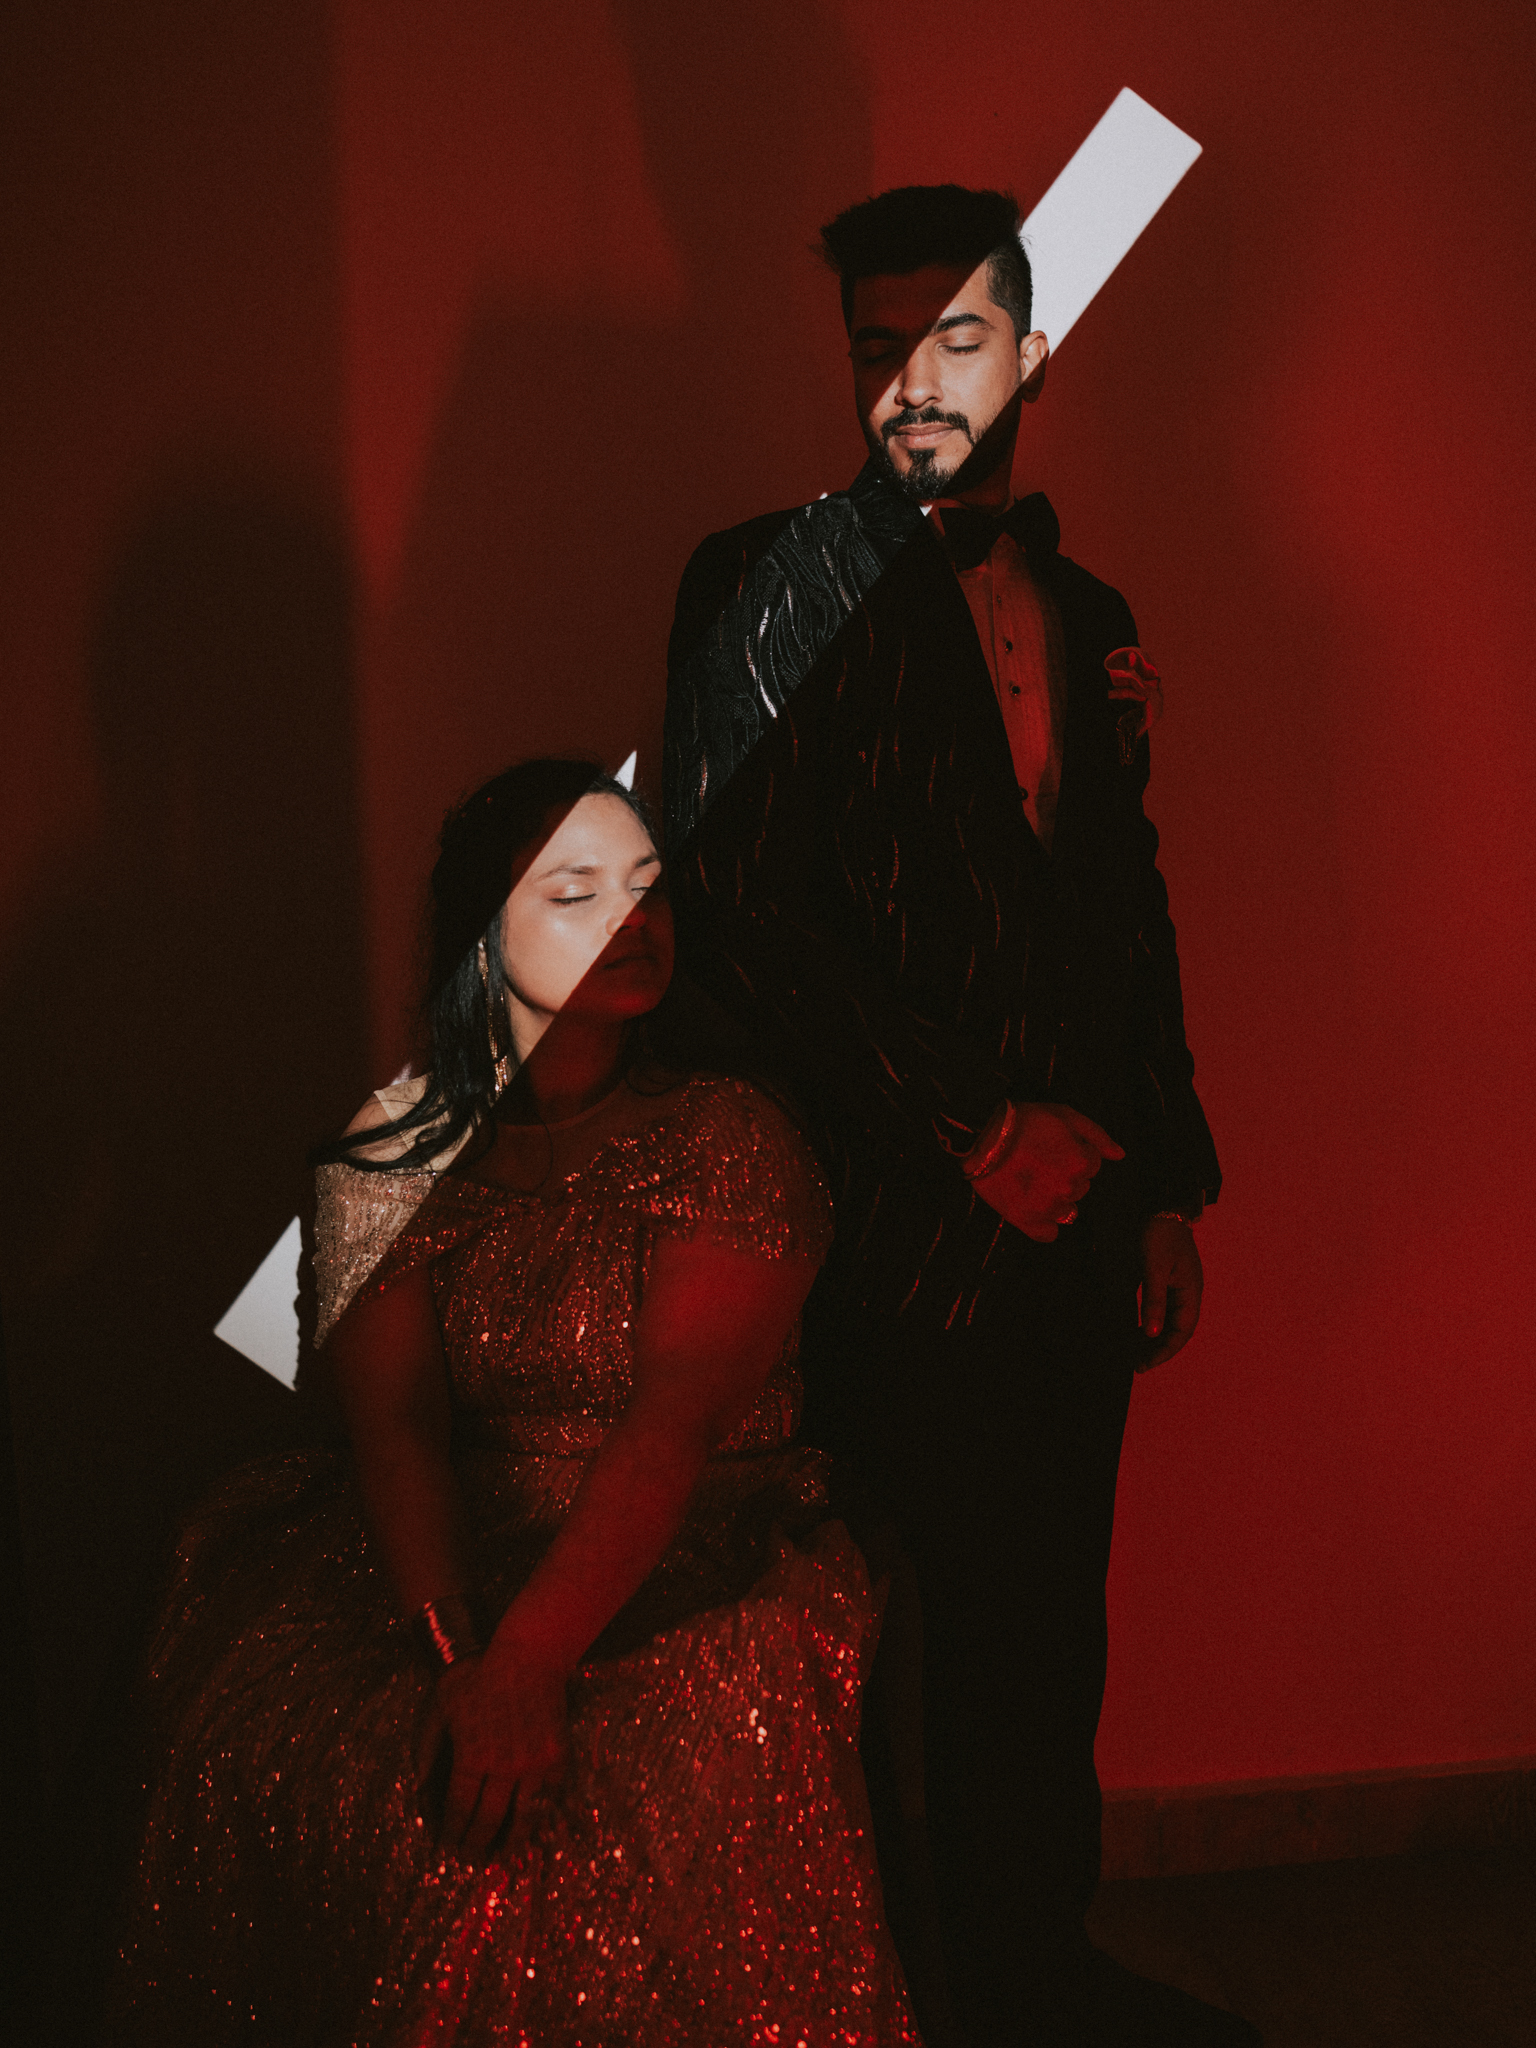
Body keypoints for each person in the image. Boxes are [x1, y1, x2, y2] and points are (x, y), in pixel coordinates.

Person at [663, 187, 1259, 2046]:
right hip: (871, 1216)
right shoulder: (765, 579)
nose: (913, 382)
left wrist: (1162, 1180)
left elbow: (1121, 906)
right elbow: (737, 910)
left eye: (956, 339)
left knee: (1043, 1629)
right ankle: (871, 1999)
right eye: (877, 346)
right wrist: (970, 1125)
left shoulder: (1092, 610)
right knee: (853, 1648)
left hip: (1080, 1218)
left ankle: (1033, 1978)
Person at [110, 759, 921, 2046]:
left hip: (690, 1537)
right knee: (303, 1733)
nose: (633, 919)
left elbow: (673, 1422)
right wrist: (460, 1661)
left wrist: (530, 1667)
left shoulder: (727, 1132)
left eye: (646, 887)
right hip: (465, 1534)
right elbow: (399, 1427)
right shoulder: (391, 1145)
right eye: (576, 889)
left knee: (625, 1776)